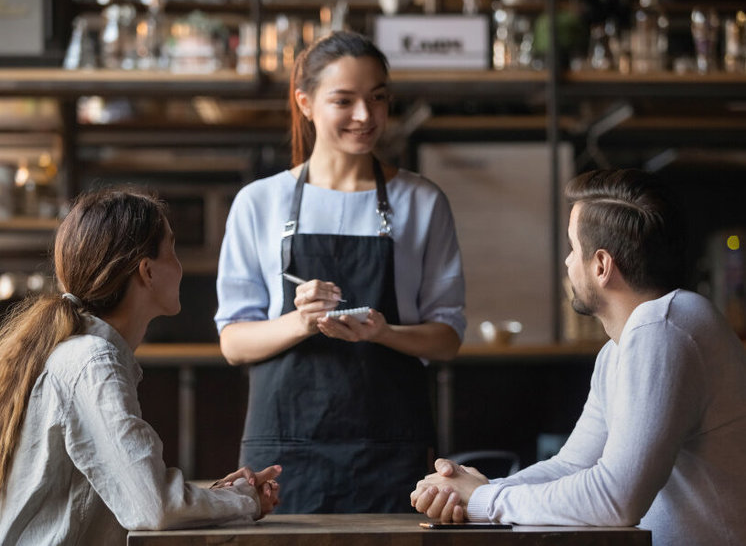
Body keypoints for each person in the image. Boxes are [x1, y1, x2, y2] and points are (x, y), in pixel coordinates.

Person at [411, 168, 746, 546]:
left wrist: (485, 499)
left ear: (601, 266)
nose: (568, 263)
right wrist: (472, 490)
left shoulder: (664, 326)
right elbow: (572, 466)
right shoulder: (620, 348)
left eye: (573, 248)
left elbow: (616, 499)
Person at [215, 30, 466, 513]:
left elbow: (447, 337)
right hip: (285, 455)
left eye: (377, 99)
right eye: (343, 101)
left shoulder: (423, 201)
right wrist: (301, 321)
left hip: (392, 449)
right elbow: (233, 342)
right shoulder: (259, 203)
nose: (365, 116)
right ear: (305, 103)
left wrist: (383, 331)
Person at [0, 189, 281, 546]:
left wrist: (218, 497)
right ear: (147, 272)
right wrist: (244, 501)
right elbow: (154, 507)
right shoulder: (94, 363)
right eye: (173, 251)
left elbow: (141, 496)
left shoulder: (83, 354)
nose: (180, 266)